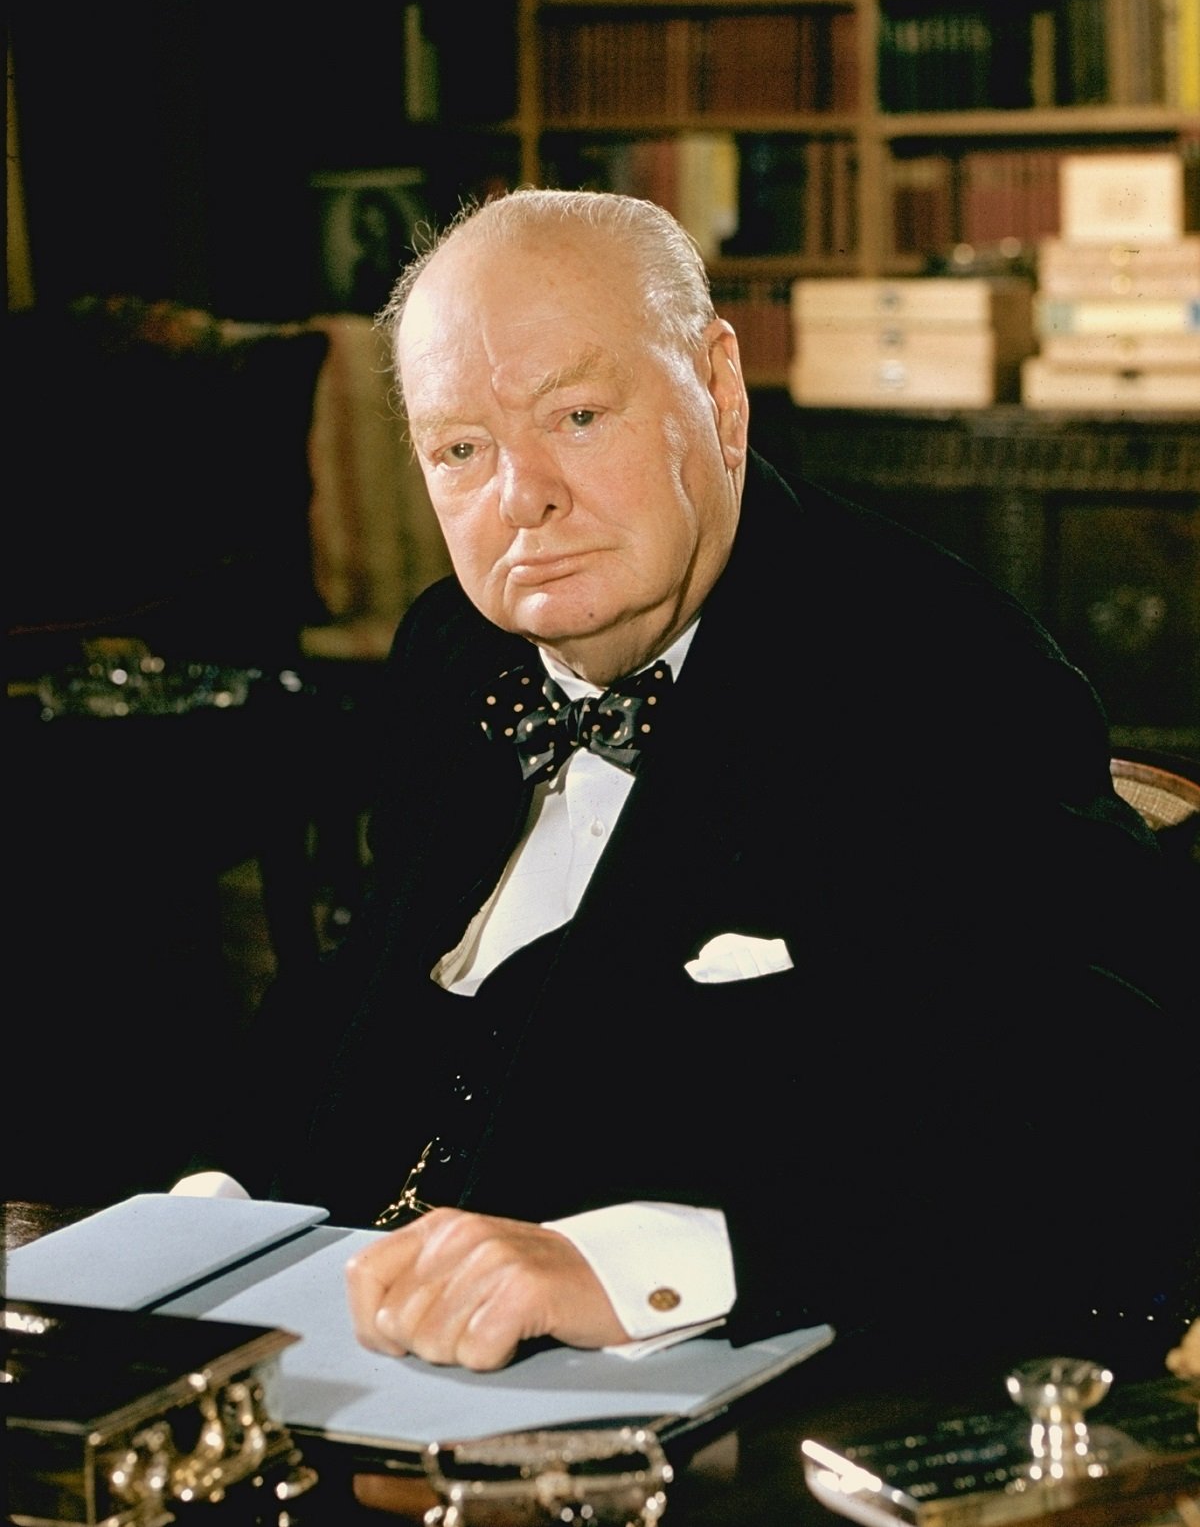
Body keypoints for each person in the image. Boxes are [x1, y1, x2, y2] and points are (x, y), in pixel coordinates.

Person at [219, 189, 1196, 1374]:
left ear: (718, 393)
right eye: (460, 448)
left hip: (714, 1409)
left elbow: (1098, 1128)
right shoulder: (450, 653)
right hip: (342, 1352)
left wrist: (636, 1266)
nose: (520, 494)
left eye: (576, 415)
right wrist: (211, 1217)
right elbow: (367, 1009)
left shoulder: (939, 668)